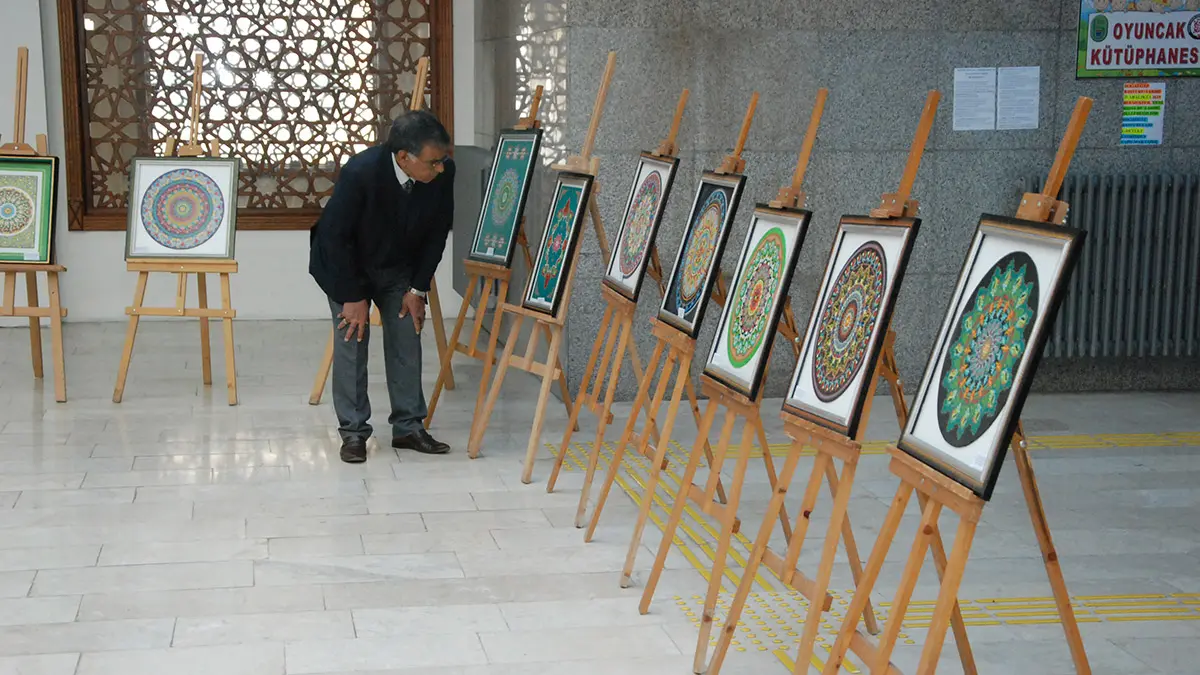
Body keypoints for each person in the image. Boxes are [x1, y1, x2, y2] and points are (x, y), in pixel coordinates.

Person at [309, 110, 455, 463]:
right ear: (404, 157)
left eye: (442, 161)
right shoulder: (361, 172)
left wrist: (418, 289)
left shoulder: (442, 171)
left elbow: (437, 233)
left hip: (397, 267)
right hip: (347, 266)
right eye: (433, 162)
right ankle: (354, 432)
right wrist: (352, 296)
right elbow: (334, 237)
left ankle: (408, 426)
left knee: (407, 333)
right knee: (352, 340)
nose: (440, 169)